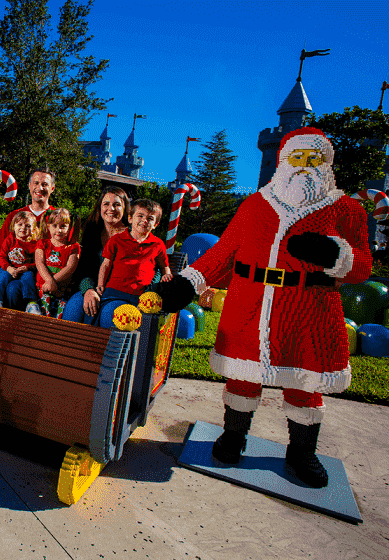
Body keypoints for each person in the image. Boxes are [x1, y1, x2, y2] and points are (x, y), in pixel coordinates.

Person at [156, 127, 372, 488]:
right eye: (298, 157)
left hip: (307, 313)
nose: (304, 166)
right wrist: (185, 284)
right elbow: (223, 253)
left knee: (304, 384)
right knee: (242, 378)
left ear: (327, 164)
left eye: (313, 158)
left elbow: (363, 265)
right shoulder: (256, 204)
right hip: (250, 308)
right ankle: (233, 437)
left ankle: (302, 453)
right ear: (284, 161)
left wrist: (335, 255)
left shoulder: (346, 209)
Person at [0, 168, 56, 309]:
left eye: (44, 184)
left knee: (13, 289)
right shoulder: (15, 216)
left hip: (35, 274)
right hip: (9, 269)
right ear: (29, 186)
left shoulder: (56, 219)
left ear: (52, 188)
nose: (40, 188)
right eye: (36, 183)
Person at [93, 198, 172, 326]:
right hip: (115, 291)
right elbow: (106, 264)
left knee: (133, 320)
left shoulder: (158, 244)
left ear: (156, 224)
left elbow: (164, 266)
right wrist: (101, 283)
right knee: (109, 314)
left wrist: (166, 275)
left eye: (150, 218)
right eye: (140, 216)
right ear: (130, 219)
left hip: (141, 295)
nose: (144, 221)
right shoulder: (116, 240)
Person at [61, 186, 130, 324]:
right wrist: (88, 290)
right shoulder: (92, 232)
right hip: (94, 287)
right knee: (75, 306)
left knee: (108, 312)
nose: (111, 208)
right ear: (100, 207)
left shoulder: (133, 235)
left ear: (125, 209)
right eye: (106, 204)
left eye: (117, 204)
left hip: (120, 293)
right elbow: (84, 269)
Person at [0, 211, 41, 313]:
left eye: (27, 226)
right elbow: (2, 256)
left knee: (29, 277)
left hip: (25, 270)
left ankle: (31, 303)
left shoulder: (34, 244)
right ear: (14, 226)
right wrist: (8, 268)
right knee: (2, 275)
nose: (23, 228)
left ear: (33, 229)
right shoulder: (10, 240)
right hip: (9, 267)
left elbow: (38, 262)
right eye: (20, 224)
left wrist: (27, 267)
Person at [35, 208, 81, 318]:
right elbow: (39, 263)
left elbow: (70, 267)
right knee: (41, 317)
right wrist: (49, 281)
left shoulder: (73, 247)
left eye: (63, 226)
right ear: (48, 226)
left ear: (69, 227)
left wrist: (53, 281)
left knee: (59, 318)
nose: (58, 230)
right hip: (43, 289)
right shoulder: (42, 243)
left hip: (62, 290)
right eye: (55, 226)